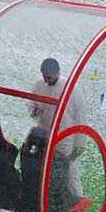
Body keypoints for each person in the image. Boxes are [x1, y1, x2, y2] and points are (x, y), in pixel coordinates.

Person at [29, 57, 86, 202]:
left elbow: (80, 116)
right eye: (44, 76)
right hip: (44, 135)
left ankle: (78, 201)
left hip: (64, 137)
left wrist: (80, 143)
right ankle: (47, 200)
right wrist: (33, 110)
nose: (46, 80)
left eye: (49, 77)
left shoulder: (71, 89)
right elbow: (31, 105)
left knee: (68, 170)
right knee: (43, 168)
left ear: (58, 73)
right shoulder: (38, 85)